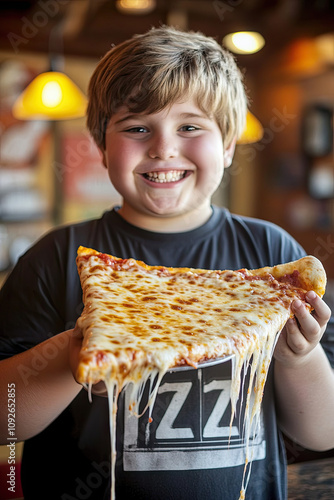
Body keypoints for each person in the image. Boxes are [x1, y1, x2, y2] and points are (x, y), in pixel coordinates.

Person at [0, 26, 334, 500]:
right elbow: (5, 419)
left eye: (191, 127)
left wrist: (298, 356)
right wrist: (72, 358)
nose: (163, 148)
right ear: (101, 145)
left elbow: (324, 434)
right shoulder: (56, 259)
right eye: (137, 127)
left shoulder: (273, 256)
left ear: (229, 145)